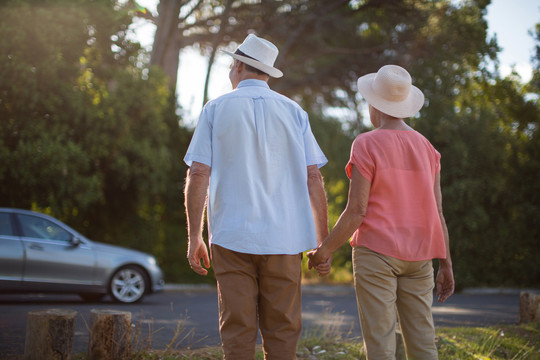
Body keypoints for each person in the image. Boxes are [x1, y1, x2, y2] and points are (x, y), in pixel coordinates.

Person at [183, 34, 330, 360]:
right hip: (285, 239)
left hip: (231, 237)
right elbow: (313, 177)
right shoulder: (294, 112)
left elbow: (198, 174)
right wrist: (323, 241)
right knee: (283, 331)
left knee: (237, 331)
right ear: (266, 72)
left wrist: (195, 236)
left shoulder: (215, 108)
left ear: (237, 66)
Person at [307, 65, 455, 359]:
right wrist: (446, 264)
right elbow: (437, 210)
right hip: (421, 256)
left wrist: (324, 250)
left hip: (376, 253)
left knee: (380, 344)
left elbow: (357, 210)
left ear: (375, 105)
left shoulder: (366, 143)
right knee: (423, 343)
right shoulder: (428, 149)